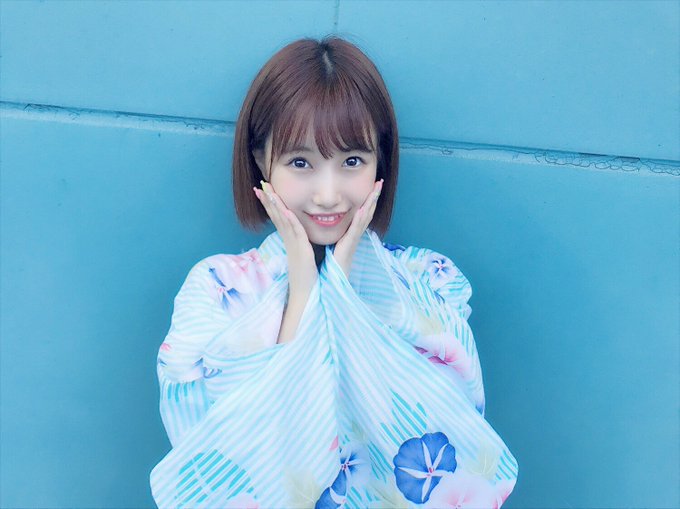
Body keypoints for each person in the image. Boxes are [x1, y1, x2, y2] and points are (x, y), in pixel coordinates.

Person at [150, 36, 518, 508]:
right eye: (301, 162)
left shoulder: (432, 279)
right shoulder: (216, 288)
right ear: (260, 159)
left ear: (380, 160)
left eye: (352, 161)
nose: (328, 195)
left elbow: (455, 436)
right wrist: (305, 289)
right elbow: (217, 454)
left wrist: (342, 287)